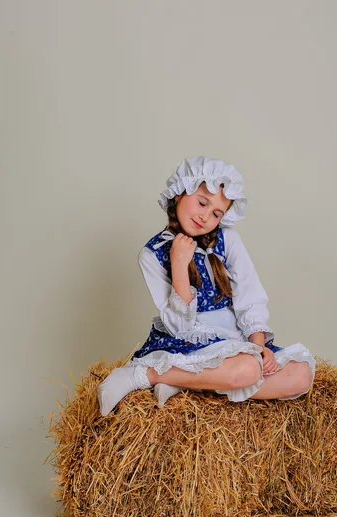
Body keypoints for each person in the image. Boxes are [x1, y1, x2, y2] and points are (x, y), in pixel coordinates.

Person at [98, 156, 315, 417]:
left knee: (301, 375)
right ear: (179, 193)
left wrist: (259, 346)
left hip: (234, 340)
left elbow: (250, 295)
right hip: (189, 339)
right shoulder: (152, 254)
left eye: (216, 213)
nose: (205, 217)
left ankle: (184, 382)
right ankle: (146, 374)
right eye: (202, 202)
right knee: (247, 370)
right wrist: (179, 265)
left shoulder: (228, 241)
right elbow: (181, 327)